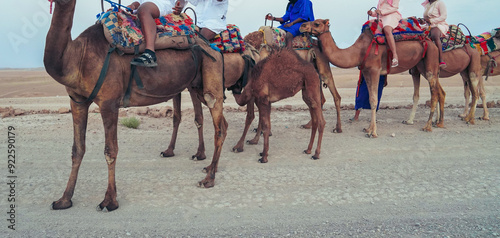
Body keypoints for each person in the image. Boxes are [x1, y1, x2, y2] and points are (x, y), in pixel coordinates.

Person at [127, 0, 227, 67]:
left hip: (212, 22)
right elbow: (139, 2)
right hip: (198, 20)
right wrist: (133, 6)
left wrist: (180, 6)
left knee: (199, 43)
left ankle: (150, 53)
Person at [368, 0, 402, 67]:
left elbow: (395, 7)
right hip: (382, 17)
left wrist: (381, 12)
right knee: (369, 27)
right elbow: (379, 11)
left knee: (387, 29)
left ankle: (395, 55)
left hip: (391, 15)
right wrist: (371, 13)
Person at [421, 0, 448, 68]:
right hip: (429, 26)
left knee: (434, 36)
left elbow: (443, 16)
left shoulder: (440, 3)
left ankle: (441, 59)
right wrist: (423, 21)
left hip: (439, 24)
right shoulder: (427, 4)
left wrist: (431, 21)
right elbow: (427, 19)